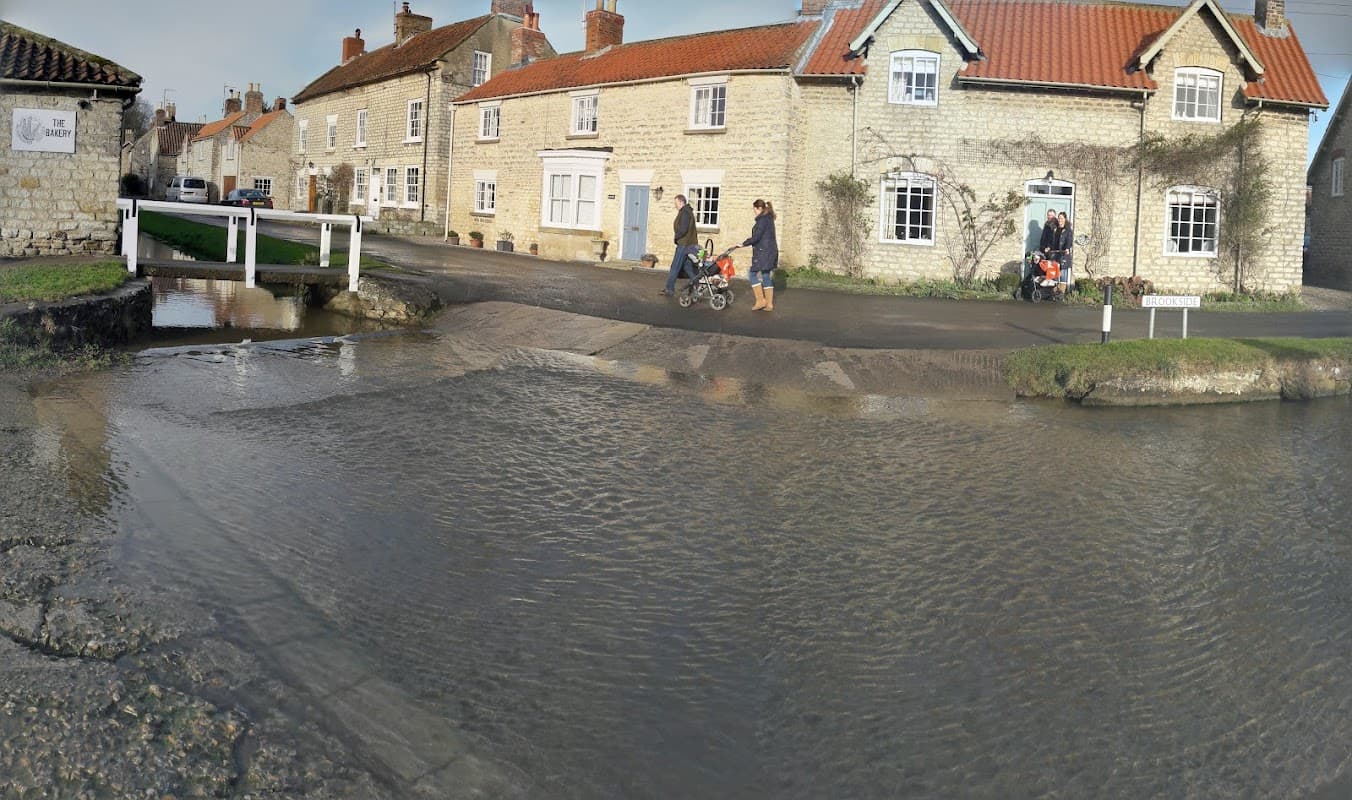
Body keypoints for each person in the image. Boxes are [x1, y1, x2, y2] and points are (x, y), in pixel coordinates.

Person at [743, 199, 779, 311]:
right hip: (770, 251)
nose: (754, 212)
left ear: (759, 208)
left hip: (763, 252)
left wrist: (743, 243)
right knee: (765, 275)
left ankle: (760, 301)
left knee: (752, 274)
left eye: (754, 210)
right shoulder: (769, 218)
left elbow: (756, 237)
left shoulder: (762, 220)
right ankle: (769, 304)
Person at [661, 194, 699, 296]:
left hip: (684, 244)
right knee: (687, 267)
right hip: (688, 244)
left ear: (681, 202)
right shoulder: (687, 211)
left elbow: (683, 229)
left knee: (675, 266)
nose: (675, 205)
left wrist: (676, 237)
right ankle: (697, 284)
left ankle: (669, 289)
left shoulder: (685, 213)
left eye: (676, 203)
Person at [1054, 211, 1074, 278]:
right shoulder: (1055, 229)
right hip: (1054, 254)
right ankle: (1054, 288)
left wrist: (1067, 248)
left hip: (1063, 254)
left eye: (1062, 218)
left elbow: (1069, 240)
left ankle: (1061, 288)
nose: (1060, 220)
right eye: (1059, 218)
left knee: (1062, 275)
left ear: (1065, 219)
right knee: (1054, 274)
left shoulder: (1068, 230)